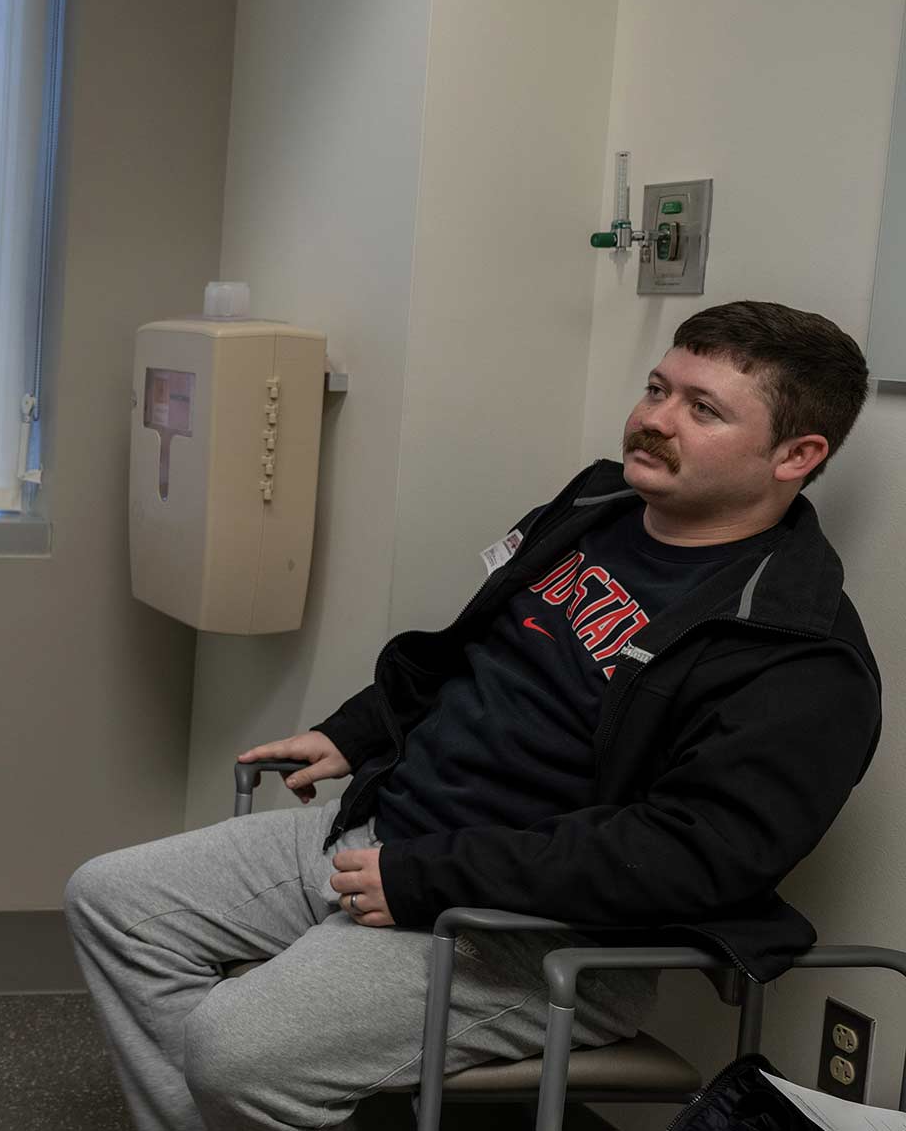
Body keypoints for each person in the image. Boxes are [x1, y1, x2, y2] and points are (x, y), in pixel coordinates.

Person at [64, 300, 882, 1131]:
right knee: (116, 901)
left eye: (702, 410)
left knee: (234, 1052)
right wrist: (359, 731)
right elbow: (471, 652)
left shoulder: (797, 651)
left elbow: (690, 856)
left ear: (797, 454)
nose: (655, 421)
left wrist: (427, 879)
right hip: (386, 827)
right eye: (657, 389)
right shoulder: (595, 504)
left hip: (529, 931)